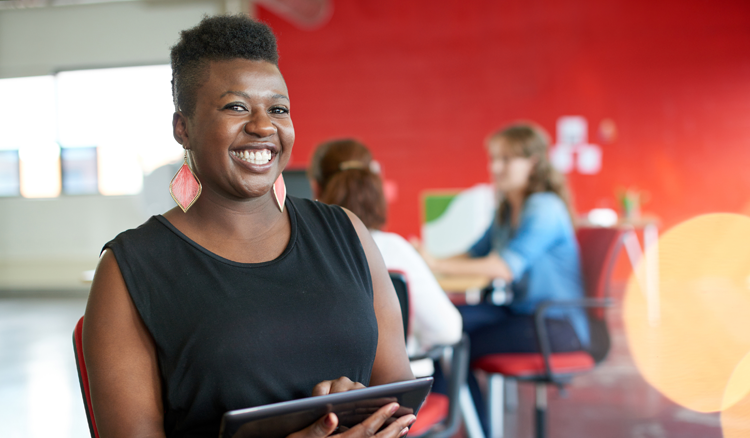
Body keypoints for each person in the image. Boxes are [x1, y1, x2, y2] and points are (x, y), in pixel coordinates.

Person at [83, 15, 415, 438]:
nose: (263, 126)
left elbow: (399, 397)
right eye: (236, 107)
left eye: (278, 109)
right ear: (182, 128)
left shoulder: (347, 233)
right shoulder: (129, 271)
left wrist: (360, 413)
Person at [419, 122, 588, 430]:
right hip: (522, 312)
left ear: (533, 163)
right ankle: (450, 425)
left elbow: (503, 267)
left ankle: (464, 428)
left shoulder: (544, 207)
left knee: (454, 344)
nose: (495, 167)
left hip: (554, 324)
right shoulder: (507, 209)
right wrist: (427, 261)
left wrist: (435, 264)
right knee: (441, 323)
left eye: (506, 159)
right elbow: (474, 254)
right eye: (494, 158)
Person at [307, 139, 462, 377]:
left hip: (326, 395)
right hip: (396, 388)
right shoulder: (395, 249)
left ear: (315, 187)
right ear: (375, 184)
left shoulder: (304, 253)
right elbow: (448, 330)